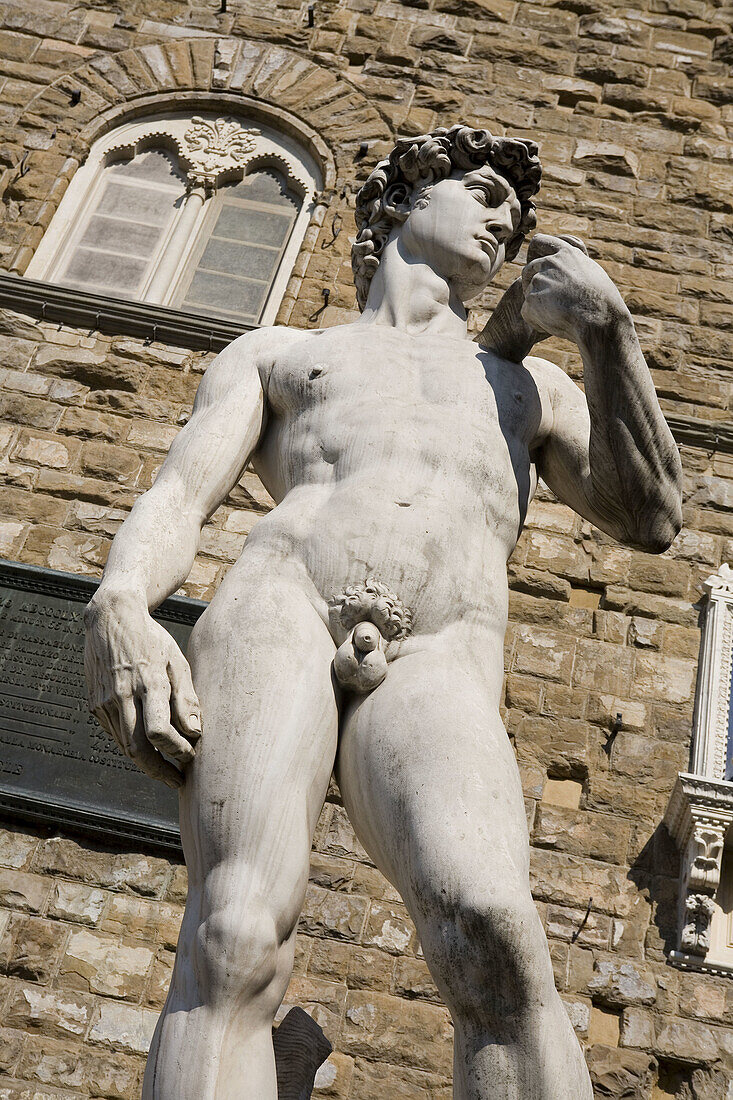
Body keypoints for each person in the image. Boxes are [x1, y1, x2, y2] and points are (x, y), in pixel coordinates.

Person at [84, 125, 682, 1099]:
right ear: (402, 199)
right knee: (235, 928)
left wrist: (607, 329)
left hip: (444, 643)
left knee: (490, 925)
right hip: (284, 605)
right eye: (486, 193)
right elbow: (177, 496)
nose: (506, 220)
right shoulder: (282, 355)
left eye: (517, 214)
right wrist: (120, 601)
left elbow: (652, 515)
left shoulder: (528, 386)